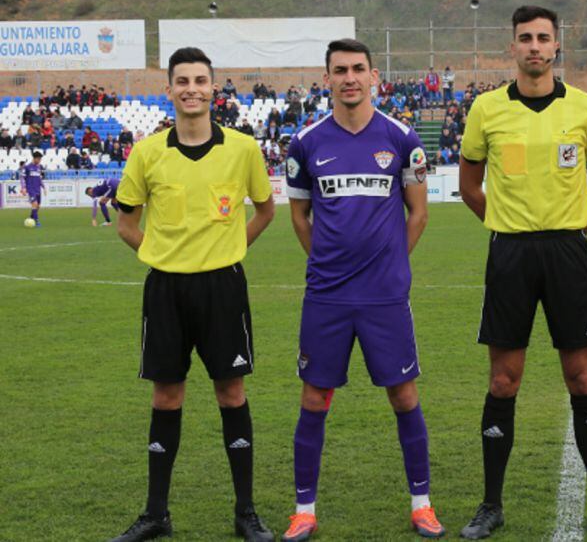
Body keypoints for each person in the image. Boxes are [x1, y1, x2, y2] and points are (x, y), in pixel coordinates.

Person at [457, 5, 587, 539]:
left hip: (566, 253)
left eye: (543, 38)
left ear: (557, 46)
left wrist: (580, 223)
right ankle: (491, 505)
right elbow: (469, 183)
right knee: (504, 379)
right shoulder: (486, 109)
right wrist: (506, 224)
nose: (534, 46)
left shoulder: (583, 107)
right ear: (512, 47)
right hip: (509, 253)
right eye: (525, 38)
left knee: (581, 376)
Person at [281, 39, 445, 541]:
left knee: (403, 393)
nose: (349, 78)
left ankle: (422, 504)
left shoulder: (401, 138)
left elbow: (418, 213)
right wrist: (329, 265)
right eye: (339, 70)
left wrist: (391, 263)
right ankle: (303, 510)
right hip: (327, 296)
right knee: (314, 398)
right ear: (326, 77)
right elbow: (300, 217)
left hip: (384, 296)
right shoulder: (306, 143)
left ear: (374, 75)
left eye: (357, 69)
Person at [111, 47, 276, 542]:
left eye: (200, 80)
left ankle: (245, 511)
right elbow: (125, 222)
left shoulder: (243, 149)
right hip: (165, 288)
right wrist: (162, 255)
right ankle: (156, 513)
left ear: (213, 88)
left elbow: (266, 211)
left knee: (231, 392)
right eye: (181, 81)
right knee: (167, 394)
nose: (191, 89)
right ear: (169, 90)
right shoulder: (148, 151)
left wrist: (226, 249)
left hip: (223, 287)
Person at [20, 150, 45, 226]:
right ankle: (37, 221)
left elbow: (39, 178)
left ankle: (31, 217)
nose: (40, 161)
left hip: (38, 189)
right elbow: (22, 177)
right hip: (30, 189)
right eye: (39, 159)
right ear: (35, 158)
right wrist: (23, 188)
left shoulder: (38, 167)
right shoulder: (27, 167)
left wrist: (43, 186)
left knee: (38, 206)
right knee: (35, 204)